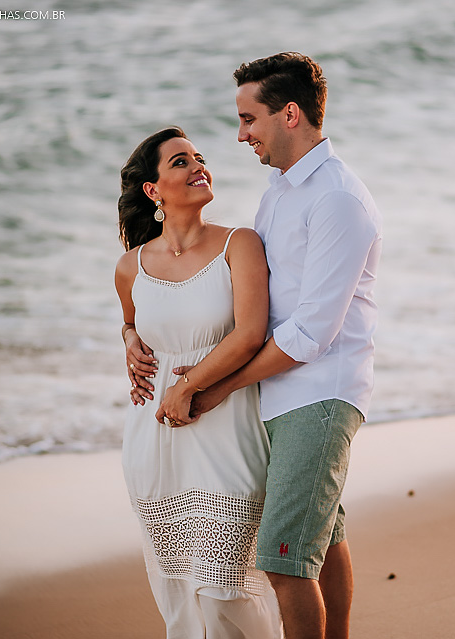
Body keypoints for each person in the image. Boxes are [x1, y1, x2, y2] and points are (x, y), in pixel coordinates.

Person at [147, 52, 383, 639]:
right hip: (278, 393)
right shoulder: (281, 188)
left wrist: (215, 384)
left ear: (291, 114)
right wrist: (138, 333)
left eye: (250, 119)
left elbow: (309, 335)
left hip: (319, 393)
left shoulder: (337, 200)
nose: (241, 133)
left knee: (282, 558)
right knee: (323, 539)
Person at [115, 126, 282, 638]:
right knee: (181, 591)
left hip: (227, 425)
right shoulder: (130, 267)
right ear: (153, 190)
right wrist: (127, 338)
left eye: (199, 158)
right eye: (181, 162)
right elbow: (132, 320)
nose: (198, 167)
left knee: (224, 586)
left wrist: (188, 386)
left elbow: (251, 334)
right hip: (154, 438)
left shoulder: (240, 244)